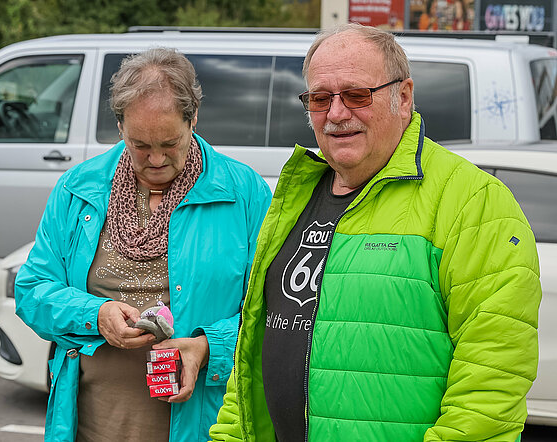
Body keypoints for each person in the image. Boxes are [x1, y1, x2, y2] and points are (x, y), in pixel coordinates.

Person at [210, 24, 541, 442]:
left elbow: (492, 382)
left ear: (403, 97)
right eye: (320, 98)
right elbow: (252, 361)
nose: (336, 114)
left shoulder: (473, 202)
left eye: (356, 95)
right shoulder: (292, 198)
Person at [15, 48, 271, 442]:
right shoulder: (78, 188)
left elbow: (273, 312)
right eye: (140, 145)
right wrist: (95, 314)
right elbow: (32, 291)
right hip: (91, 427)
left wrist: (208, 347)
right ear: (120, 126)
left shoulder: (244, 193)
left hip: (203, 427)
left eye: (170, 143)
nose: (155, 159)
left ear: (193, 118)